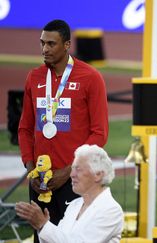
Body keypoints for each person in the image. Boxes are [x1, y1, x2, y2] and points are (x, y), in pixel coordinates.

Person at [18, 19, 109, 242]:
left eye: (51, 44)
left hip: (75, 180)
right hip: (41, 182)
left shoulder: (90, 77)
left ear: (67, 45)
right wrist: (31, 171)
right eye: (42, 43)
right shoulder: (34, 77)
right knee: (42, 237)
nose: (44, 49)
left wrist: (69, 171)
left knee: (71, 238)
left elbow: (100, 133)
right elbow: (25, 128)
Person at [15, 144, 123, 243]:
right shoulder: (74, 205)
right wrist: (41, 226)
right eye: (73, 168)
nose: (72, 174)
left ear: (98, 174)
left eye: (78, 169)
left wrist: (43, 225)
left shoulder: (111, 210)